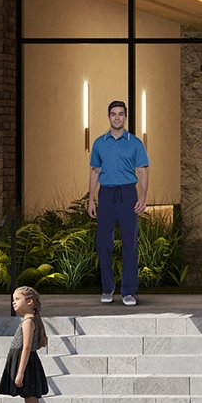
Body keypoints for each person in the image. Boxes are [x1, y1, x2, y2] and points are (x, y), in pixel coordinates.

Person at [87, 99, 150, 306]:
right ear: (109, 117)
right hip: (106, 195)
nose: (117, 117)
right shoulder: (99, 143)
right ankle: (107, 288)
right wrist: (91, 199)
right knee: (103, 242)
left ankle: (128, 292)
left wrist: (143, 196)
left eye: (120, 114)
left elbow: (143, 171)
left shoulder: (135, 143)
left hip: (128, 194)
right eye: (113, 114)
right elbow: (95, 171)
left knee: (129, 243)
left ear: (125, 117)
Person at [0, 285, 49, 403]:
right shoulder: (29, 320)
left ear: (29, 301)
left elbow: (26, 348)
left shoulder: (29, 322)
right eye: (13, 300)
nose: (13, 303)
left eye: (17, 299)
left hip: (26, 365)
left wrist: (20, 373)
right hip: (26, 364)